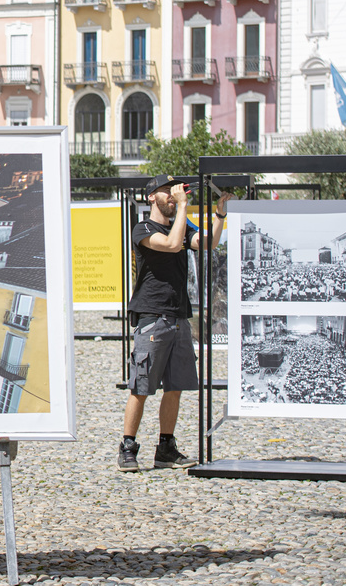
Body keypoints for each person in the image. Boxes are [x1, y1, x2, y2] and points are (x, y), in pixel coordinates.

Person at [118, 175, 227, 472]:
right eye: (166, 192)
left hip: (178, 316)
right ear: (151, 197)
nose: (172, 195)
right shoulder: (142, 229)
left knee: (175, 386)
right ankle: (127, 446)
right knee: (141, 386)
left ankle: (165, 448)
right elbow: (171, 243)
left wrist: (219, 214)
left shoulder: (182, 223)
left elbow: (208, 242)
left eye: (174, 192)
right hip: (152, 317)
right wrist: (183, 207)